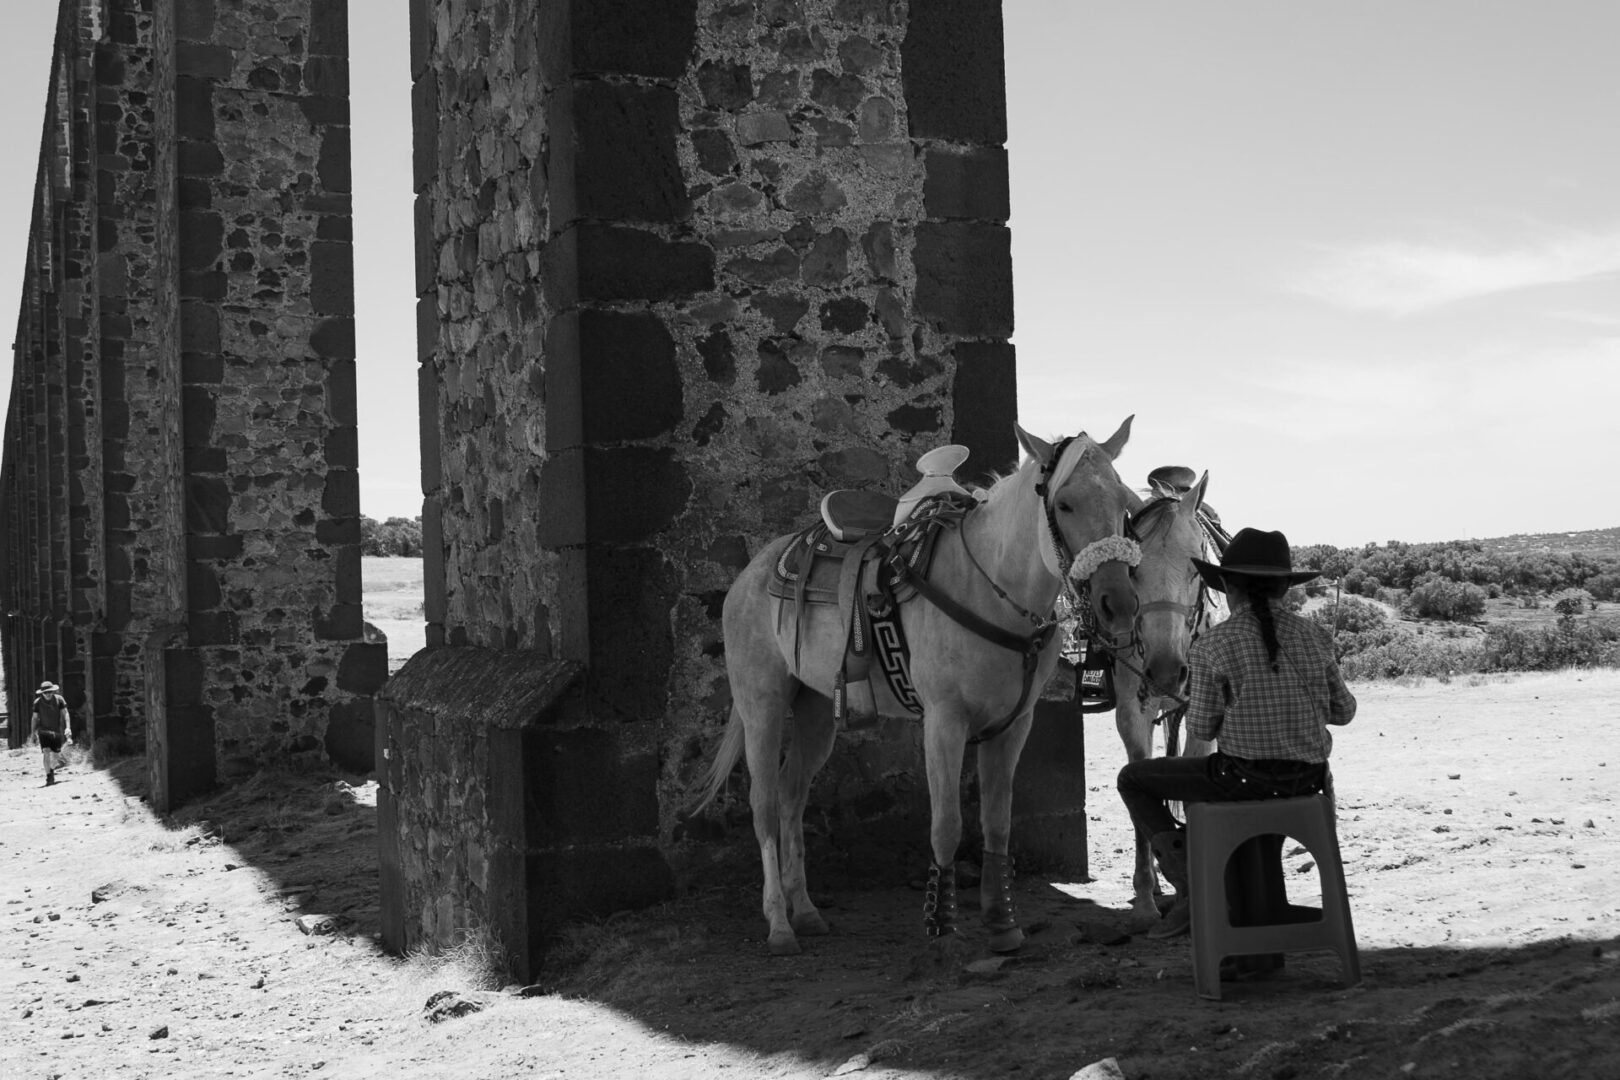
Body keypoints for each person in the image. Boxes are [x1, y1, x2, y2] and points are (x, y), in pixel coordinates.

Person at [1116, 527, 1357, 939]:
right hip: (1308, 784)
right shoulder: (1315, 636)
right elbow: (1345, 711)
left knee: (1133, 780)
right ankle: (1250, 910)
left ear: (1228, 587)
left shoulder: (1214, 644)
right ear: (1283, 589)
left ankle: (1193, 882)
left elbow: (1202, 727)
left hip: (1243, 782)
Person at [30, 681, 71, 786]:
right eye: (46, 692)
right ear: (42, 693)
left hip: (56, 731)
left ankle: (51, 770)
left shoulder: (59, 699)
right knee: (46, 751)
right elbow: (34, 718)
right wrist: (33, 733)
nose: (48, 694)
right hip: (43, 731)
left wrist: (68, 728)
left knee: (56, 755)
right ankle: (49, 776)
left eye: (50, 692)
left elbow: (65, 713)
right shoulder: (37, 702)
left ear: (53, 691)